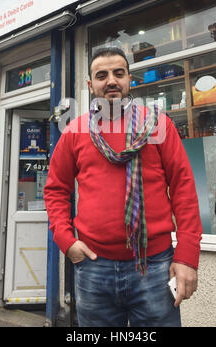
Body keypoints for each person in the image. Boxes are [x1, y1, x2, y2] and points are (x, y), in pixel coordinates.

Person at [44, 47, 203, 327]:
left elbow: (184, 189)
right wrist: (66, 241)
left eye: (119, 73)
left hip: (155, 266)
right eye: (102, 75)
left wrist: (187, 256)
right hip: (94, 267)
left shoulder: (158, 125)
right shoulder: (75, 132)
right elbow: (56, 190)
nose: (111, 81)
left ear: (130, 79)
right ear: (90, 85)